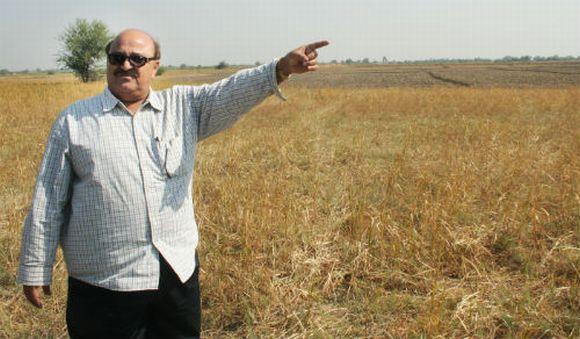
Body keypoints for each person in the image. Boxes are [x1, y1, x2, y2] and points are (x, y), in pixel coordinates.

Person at [17, 28, 329, 338]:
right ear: (108, 62)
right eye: (117, 57)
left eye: (137, 58)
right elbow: (48, 199)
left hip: (175, 275)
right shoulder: (74, 121)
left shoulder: (184, 107)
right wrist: (35, 266)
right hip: (104, 282)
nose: (126, 64)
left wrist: (281, 68)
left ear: (155, 65)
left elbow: (231, 91)